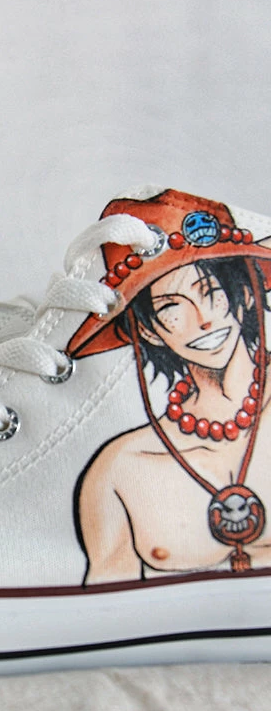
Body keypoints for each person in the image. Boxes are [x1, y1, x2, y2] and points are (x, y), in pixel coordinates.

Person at [68, 191, 271, 584]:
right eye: (171, 307)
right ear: (147, 330)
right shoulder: (121, 466)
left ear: (246, 294)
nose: (203, 320)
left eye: (212, 293)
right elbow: (107, 603)